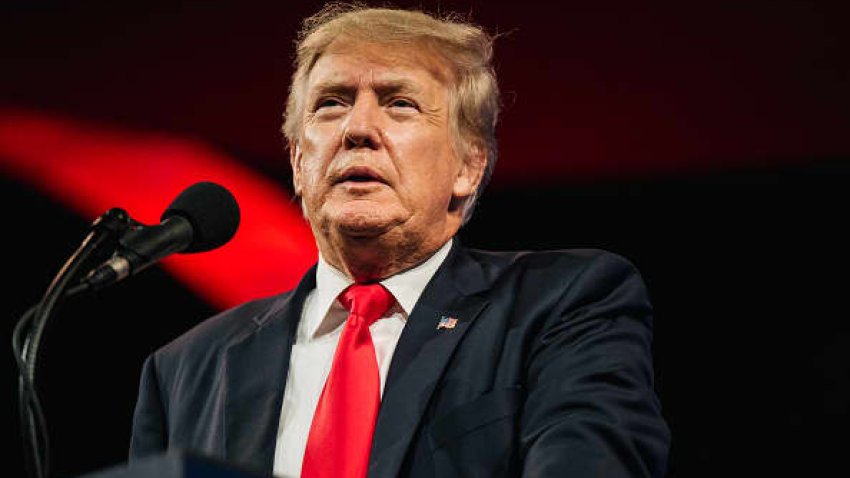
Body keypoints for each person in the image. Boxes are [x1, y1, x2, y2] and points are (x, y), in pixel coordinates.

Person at [129, 4, 670, 477]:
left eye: (399, 103)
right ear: (298, 161)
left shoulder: (562, 304)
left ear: (468, 166)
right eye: (332, 103)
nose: (357, 128)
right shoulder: (186, 368)